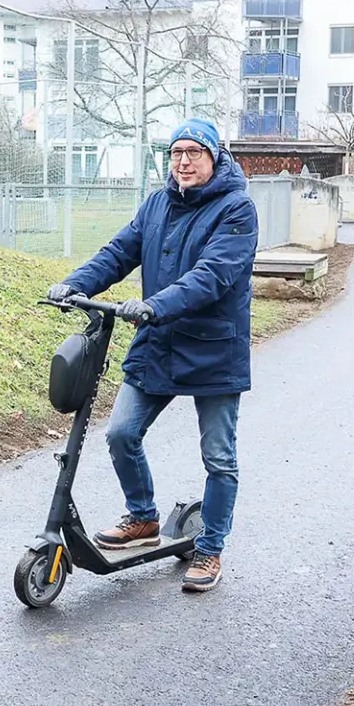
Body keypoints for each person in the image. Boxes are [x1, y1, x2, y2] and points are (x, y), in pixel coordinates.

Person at [48, 118, 257, 594]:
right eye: (176, 153)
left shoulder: (238, 209)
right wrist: (76, 284)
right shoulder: (157, 203)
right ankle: (143, 517)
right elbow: (120, 252)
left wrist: (155, 305)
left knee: (218, 457)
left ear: (214, 157)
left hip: (212, 349)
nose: (183, 161)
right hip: (158, 342)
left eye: (194, 153)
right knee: (121, 433)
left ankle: (210, 548)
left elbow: (214, 275)